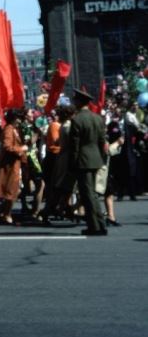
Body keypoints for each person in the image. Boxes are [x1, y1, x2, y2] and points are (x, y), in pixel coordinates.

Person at [69, 89, 108, 236]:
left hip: (83, 160)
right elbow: (102, 141)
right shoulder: (97, 118)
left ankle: (95, 226)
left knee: (87, 194)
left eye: (75, 100)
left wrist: (72, 163)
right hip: (95, 158)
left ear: (79, 102)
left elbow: (75, 146)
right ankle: (100, 223)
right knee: (92, 193)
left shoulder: (77, 120)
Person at [0, 108, 28, 225]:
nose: (20, 121)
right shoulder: (9, 129)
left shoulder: (14, 129)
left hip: (14, 163)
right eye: (18, 118)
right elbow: (7, 146)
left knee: (15, 189)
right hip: (10, 164)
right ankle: (6, 213)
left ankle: (2, 211)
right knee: (12, 189)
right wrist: (21, 149)